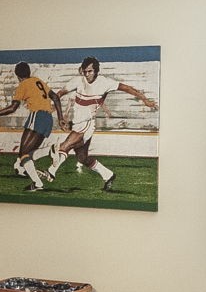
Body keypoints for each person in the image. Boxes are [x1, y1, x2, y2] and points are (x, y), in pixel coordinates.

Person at [46, 56, 156, 191]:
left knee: (64, 146)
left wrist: (145, 100)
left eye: (90, 71)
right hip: (76, 123)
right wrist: (53, 107)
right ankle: (108, 175)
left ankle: (51, 171)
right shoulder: (78, 80)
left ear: (96, 71)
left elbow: (127, 88)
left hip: (87, 125)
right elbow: (61, 92)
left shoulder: (105, 83)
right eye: (85, 71)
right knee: (82, 158)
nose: (87, 75)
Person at [0, 61, 59, 191]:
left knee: (23, 154)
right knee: (27, 153)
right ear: (29, 72)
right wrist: (61, 118)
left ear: (18, 76)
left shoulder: (23, 85)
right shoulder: (37, 80)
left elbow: (13, 108)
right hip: (48, 119)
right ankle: (48, 151)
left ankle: (38, 183)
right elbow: (55, 97)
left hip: (37, 117)